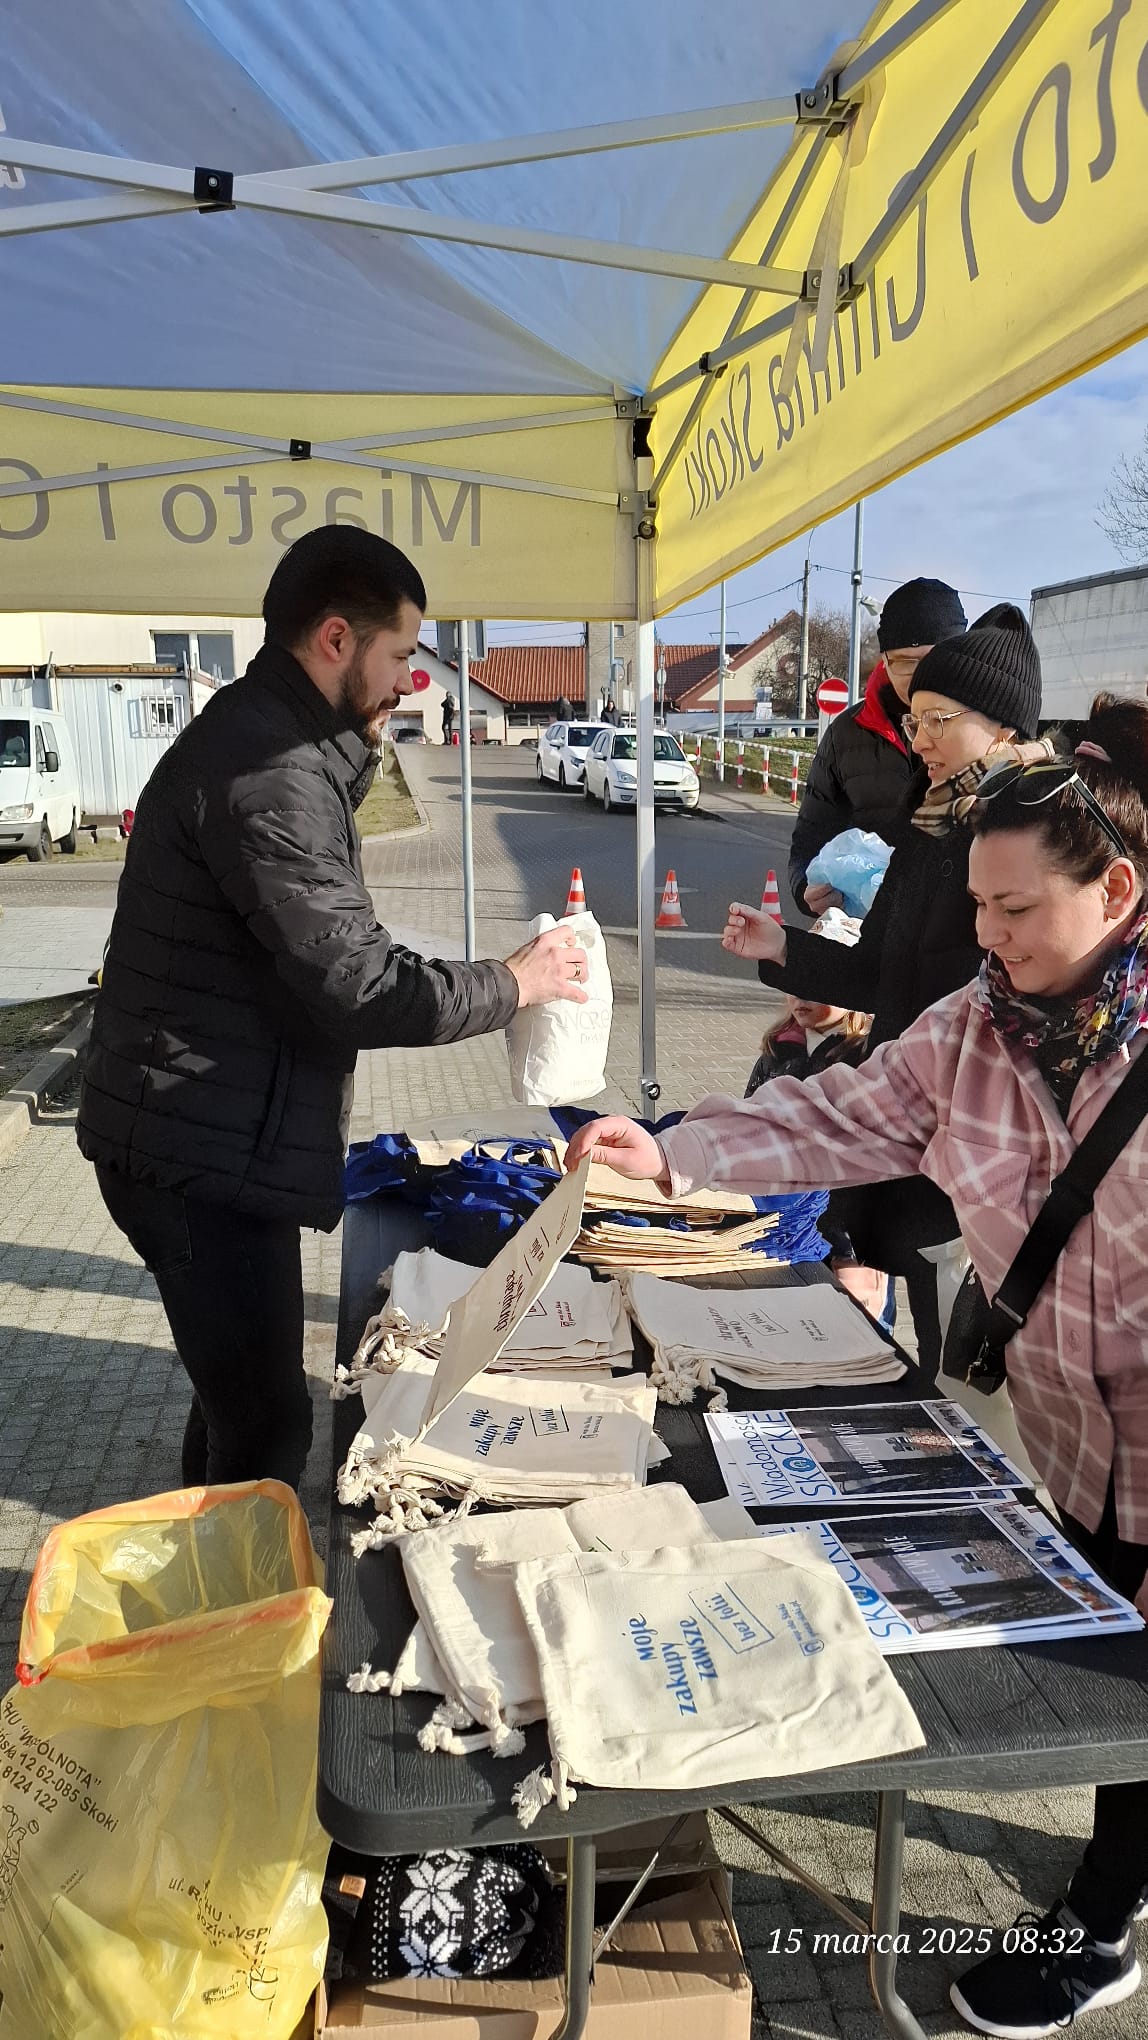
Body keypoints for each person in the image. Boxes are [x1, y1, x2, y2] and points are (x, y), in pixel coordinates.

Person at [568, 691, 1148, 2036]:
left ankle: (1101, 1919)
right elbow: (837, 1115)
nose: (989, 937)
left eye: (1016, 909)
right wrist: (676, 1150)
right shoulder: (974, 1028)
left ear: (1117, 889)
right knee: (1106, 1675)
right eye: (979, 906)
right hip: (1070, 1443)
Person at [78, 526, 589, 1493]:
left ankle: (217, 1565)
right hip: (194, 1152)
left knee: (233, 1401)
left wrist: (361, 750)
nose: (409, 681)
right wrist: (513, 984)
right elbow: (358, 983)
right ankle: (234, 1584)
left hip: (210, 1131)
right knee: (266, 1424)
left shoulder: (281, 747)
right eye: (400, 655)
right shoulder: (268, 771)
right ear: (335, 639)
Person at [729, 603, 1049, 1378]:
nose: (920, 737)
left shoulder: (1039, 838)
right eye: (915, 720)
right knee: (916, 1346)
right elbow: (878, 972)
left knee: (973, 1374)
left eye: (940, 720)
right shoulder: (926, 826)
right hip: (910, 1124)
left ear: (1003, 727)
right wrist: (784, 949)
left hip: (985, 1154)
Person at [745, 908, 888, 1325]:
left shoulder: (868, 1058)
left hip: (848, 1244)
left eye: (814, 986)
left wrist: (854, 1254)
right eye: (794, 986)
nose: (800, 996)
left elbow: (871, 1172)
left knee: (859, 1332)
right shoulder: (778, 1050)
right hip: (782, 1222)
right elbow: (749, 1121)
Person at [790, 578, 967, 915]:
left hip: (963, 935)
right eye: (904, 661)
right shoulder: (845, 735)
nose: (919, 674)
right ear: (884, 660)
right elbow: (810, 838)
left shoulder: (983, 731)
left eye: (933, 658)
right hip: (869, 930)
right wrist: (806, 889)